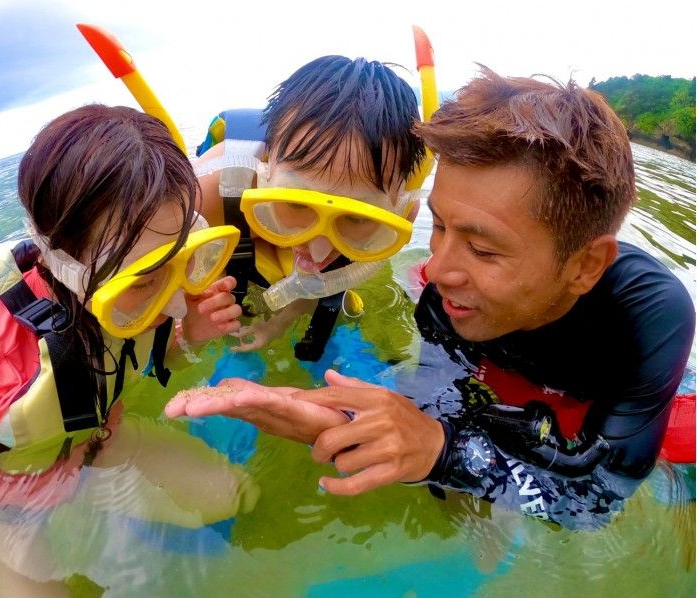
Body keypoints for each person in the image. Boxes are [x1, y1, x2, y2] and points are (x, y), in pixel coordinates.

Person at [166, 68, 696, 529]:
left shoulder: (650, 316)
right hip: (502, 366)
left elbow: (597, 503)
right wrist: (345, 427)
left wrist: (445, 455)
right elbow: (431, 409)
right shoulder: (444, 296)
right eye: (439, 226)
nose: (436, 270)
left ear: (584, 266)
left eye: (483, 250)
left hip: (606, 385)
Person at [0, 105, 260, 591]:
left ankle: (133, 528)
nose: (173, 297)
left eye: (180, 261)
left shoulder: (161, 293)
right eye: (145, 280)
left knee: (237, 495)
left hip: (100, 446)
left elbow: (145, 363)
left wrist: (185, 337)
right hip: (2, 504)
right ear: (63, 260)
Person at [192, 55, 429, 361]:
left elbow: (319, 276)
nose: (318, 251)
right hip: (236, 234)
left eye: (354, 216)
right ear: (265, 167)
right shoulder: (211, 193)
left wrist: (278, 323)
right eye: (296, 203)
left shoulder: (392, 220)